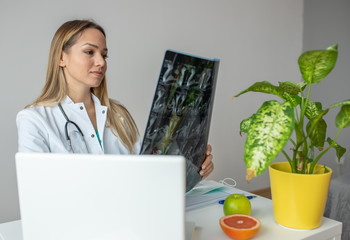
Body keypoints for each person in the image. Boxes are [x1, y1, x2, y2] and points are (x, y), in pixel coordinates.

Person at [16, 19, 214, 178]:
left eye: (104, 55)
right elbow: (36, 191)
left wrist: (192, 169)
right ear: (61, 58)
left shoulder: (118, 115)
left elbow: (146, 176)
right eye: (89, 52)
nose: (101, 62)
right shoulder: (34, 120)